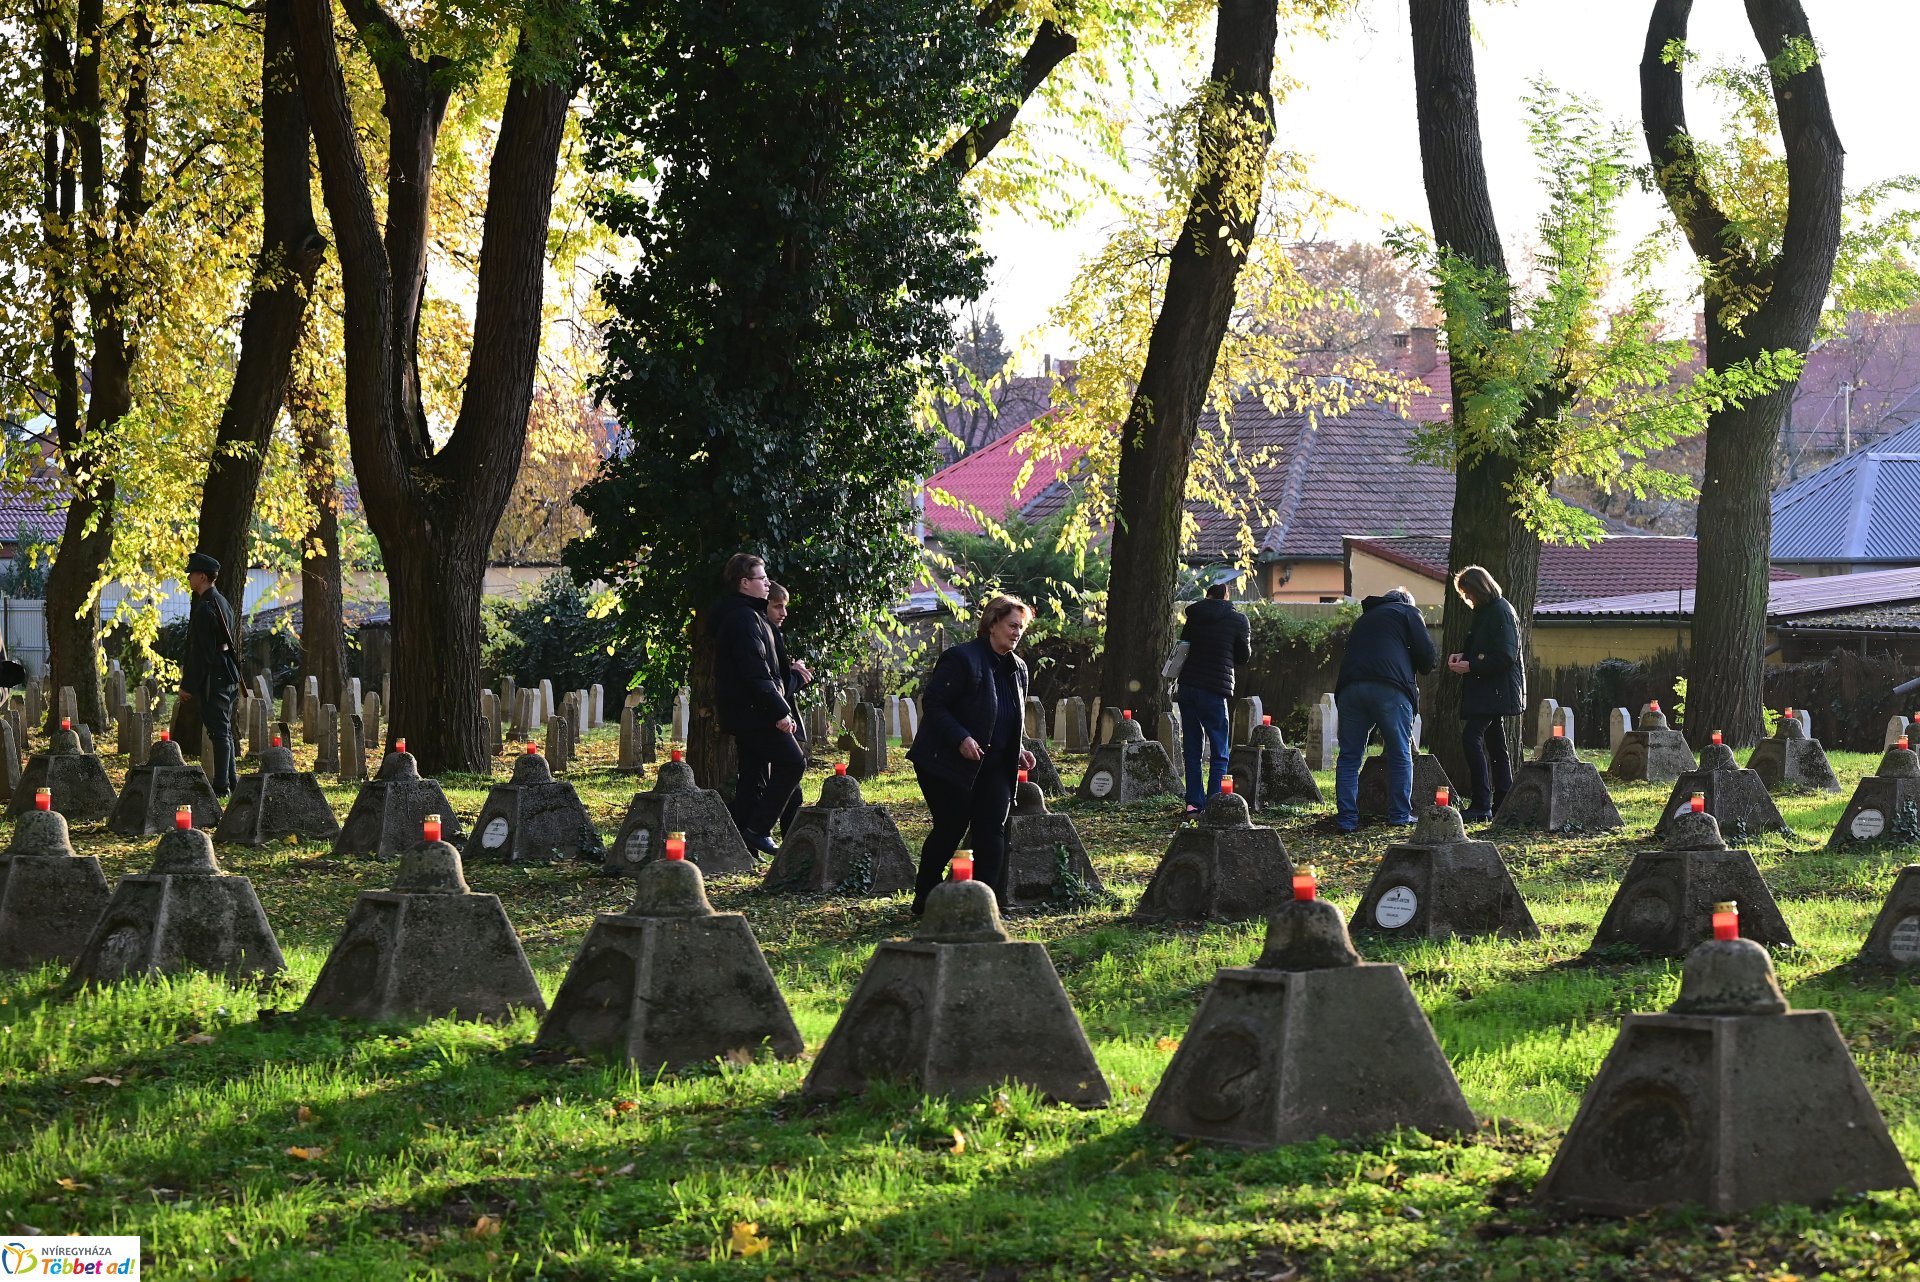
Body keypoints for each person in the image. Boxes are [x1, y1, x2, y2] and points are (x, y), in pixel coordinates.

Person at [905, 595, 1037, 915]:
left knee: (992, 829)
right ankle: (924, 898)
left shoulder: (1018, 668)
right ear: (992, 624)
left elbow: (1006, 716)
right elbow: (934, 705)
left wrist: (1017, 748)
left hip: (994, 765)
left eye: (1021, 627)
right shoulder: (961, 659)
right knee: (951, 827)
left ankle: (984, 905)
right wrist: (960, 737)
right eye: (1011, 626)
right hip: (945, 762)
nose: (1017, 632)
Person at [709, 552, 804, 857]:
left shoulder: (749, 615)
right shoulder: (743, 618)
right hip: (754, 712)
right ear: (744, 583)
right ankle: (759, 830)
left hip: (748, 711)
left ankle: (738, 844)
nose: (766, 583)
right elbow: (755, 672)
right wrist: (780, 712)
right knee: (792, 762)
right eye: (761, 578)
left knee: (753, 776)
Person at [1333, 586, 1436, 832]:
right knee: (1400, 752)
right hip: (1389, 688)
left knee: (1349, 756)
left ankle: (1347, 819)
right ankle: (1400, 815)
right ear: (1407, 602)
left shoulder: (1364, 619)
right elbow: (1428, 658)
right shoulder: (1408, 613)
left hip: (1350, 688)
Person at [1447, 564, 1523, 821]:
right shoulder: (1487, 611)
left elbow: (1505, 655)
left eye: (1468, 594)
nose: (1467, 599)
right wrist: (1464, 656)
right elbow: (1483, 646)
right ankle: (1503, 800)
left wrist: (1472, 665)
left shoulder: (1500, 612)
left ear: (1480, 589)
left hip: (1496, 690)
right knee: (1496, 744)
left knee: (1472, 738)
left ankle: (1482, 803)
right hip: (1491, 690)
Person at [1174, 569, 1251, 815]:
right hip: (1214, 689)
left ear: (1207, 596)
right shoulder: (1238, 620)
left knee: (1193, 748)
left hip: (1188, 687)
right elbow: (1242, 657)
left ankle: (1193, 803)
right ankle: (1216, 801)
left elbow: (1183, 648)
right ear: (1227, 596)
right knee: (1219, 749)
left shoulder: (1194, 617)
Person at [181, 550, 243, 798]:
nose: (189, 579)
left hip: (216, 674)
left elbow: (202, 654)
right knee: (223, 729)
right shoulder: (220, 602)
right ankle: (230, 781)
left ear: (204, 577)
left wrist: (189, 686)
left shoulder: (207, 608)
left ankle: (221, 786)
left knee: (219, 731)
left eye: (192, 574)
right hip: (225, 672)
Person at [765, 582, 813, 838]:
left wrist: (793, 673)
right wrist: (795, 675)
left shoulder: (773, 633)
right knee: (789, 783)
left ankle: (787, 840)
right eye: (778, 606)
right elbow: (778, 686)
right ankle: (772, 836)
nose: (783, 613)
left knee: (791, 788)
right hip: (774, 721)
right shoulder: (768, 634)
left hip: (781, 718)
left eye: (785, 606)